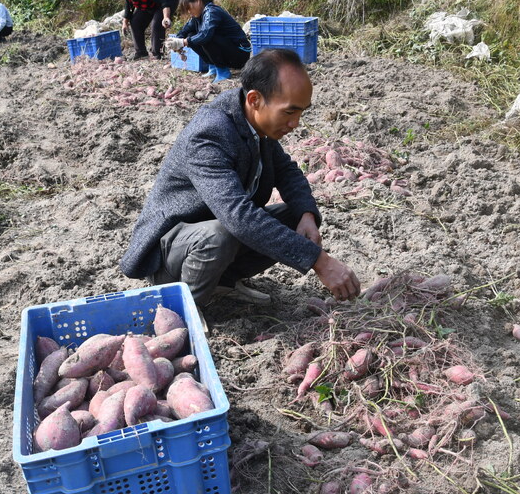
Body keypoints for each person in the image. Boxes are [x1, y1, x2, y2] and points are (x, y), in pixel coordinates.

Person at [119, 48, 361, 314]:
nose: (296, 123)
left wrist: (306, 214)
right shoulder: (210, 134)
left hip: (210, 236)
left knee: (292, 216)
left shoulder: (255, 123)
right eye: (290, 112)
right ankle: (182, 310)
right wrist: (320, 261)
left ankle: (222, 282)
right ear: (255, 99)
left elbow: (287, 172)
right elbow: (238, 216)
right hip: (169, 256)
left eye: (301, 112)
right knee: (221, 234)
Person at [174, 0, 251, 82]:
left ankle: (223, 71)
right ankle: (213, 66)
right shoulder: (196, 17)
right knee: (191, 35)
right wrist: (176, 42)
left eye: (189, 8)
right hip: (229, 51)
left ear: (197, 1)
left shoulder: (212, 12)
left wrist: (184, 42)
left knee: (206, 37)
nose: (189, 12)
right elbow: (184, 31)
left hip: (240, 54)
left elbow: (205, 35)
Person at [113, 0, 180, 60]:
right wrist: (125, 23)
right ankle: (141, 52)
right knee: (135, 22)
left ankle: (157, 53)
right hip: (150, 3)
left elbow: (164, 2)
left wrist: (166, 17)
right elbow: (128, 6)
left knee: (157, 23)